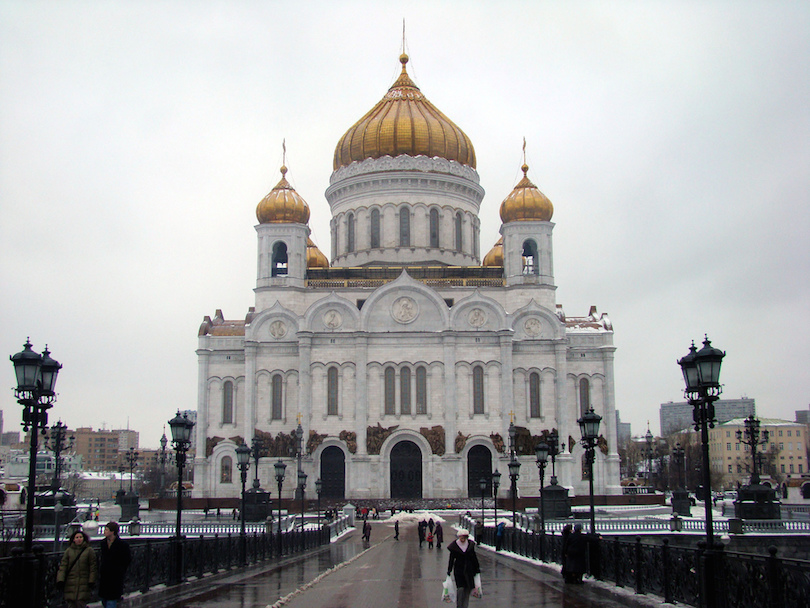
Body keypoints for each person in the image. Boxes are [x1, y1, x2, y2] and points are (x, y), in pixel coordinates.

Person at [56, 529, 98, 608]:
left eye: (80, 537)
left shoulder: (89, 551)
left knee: (80, 602)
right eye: (77, 537)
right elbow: (63, 566)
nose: (79, 539)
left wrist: (91, 581)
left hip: (83, 582)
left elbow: (93, 567)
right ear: (73, 540)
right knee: (71, 603)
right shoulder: (68, 551)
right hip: (70, 582)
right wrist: (60, 580)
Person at [98, 521, 132, 608]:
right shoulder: (103, 543)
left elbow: (127, 559)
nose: (104, 532)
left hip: (115, 577)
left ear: (112, 532)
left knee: (111, 601)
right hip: (104, 577)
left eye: (106, 530)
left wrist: (120, 570)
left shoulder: (122, 545)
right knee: (104, 600)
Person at [447, 529, 481, 608]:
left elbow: (474, 557)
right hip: (459, 570)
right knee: (460, 589)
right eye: (461, 538)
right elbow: (451, 559)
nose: (462, 540)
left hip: (469, 570)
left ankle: (465, 606)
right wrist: (449, 569)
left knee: (467, 589)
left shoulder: (470, 545)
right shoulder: (455, 546)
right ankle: (459, 606)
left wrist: (477, 568)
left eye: (464, 538)